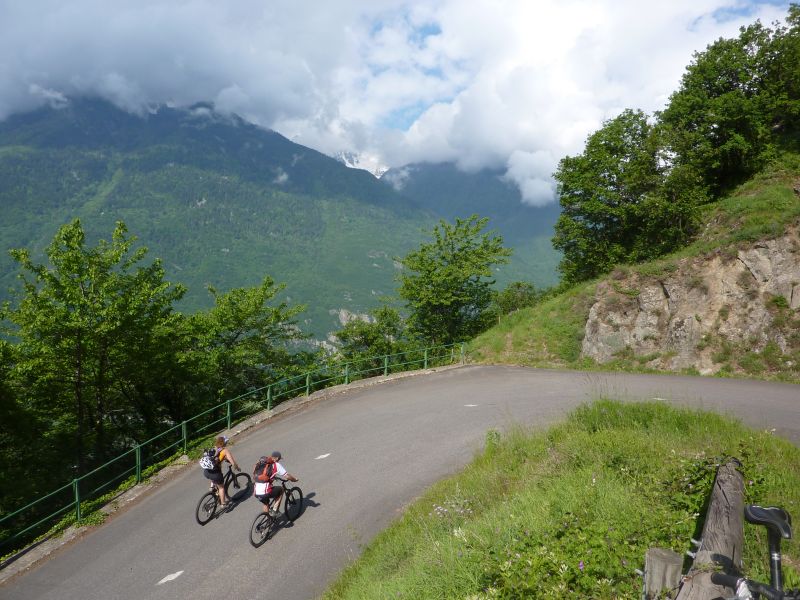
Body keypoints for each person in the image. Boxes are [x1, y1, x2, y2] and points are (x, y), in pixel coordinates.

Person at [253, 451, 299, 517]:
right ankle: (275, 510)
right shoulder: (276, 465)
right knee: (281, 490)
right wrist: (294, 480)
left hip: (256, 491)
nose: (279, 460)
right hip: (265, 490)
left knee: (266, 504)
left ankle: (268, 520)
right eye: (279, 459)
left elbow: (264, 475)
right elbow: (287, 476)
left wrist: (273, 477)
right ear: (277, 458)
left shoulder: (263, 463)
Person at [203, 435, 241, 506]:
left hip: (206, 472)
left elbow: (218, 458)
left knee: (213, 476)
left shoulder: (213, 448)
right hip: (216, 474)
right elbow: (232, 462)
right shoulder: (225, 451)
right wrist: (237, 467)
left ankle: (212, 488)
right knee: (221, 487)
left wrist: (225, 459)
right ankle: (223, 503)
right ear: (224, 443)